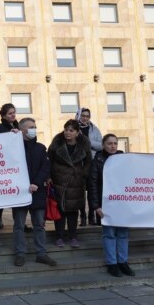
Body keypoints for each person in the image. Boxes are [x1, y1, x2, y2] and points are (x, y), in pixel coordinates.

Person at [12, 118, 56, 267]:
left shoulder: (40, 148)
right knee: (19, 225)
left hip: (37, 192)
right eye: (31, 127)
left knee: (39, 225)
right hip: (19, 192)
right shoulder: (14, 147)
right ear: (22, 129)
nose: (34, 129)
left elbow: (45, 167)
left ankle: (41, 254)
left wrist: (36, 183)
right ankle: (20, 254)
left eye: (35, 127)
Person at [89, 134, 134, 277]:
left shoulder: (124, 160)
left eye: (115, 143)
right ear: (103, 145)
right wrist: (96, 206)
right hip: (106, 204)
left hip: (123, 203)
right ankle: (112, 263)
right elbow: (93, 185)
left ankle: (123, 262)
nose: (113, 146)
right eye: (109, 143)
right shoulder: (97, 161)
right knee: (109, 234)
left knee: (123, 233)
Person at [48, 119, 92, 249]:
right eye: (66, 130)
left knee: (73, 211)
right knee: (60, 209)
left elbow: (89, 162)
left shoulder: (83, 146)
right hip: (59, 181)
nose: (68, 133)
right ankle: (59, 236)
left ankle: (73, 236)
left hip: (76, 181)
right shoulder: (56, 145)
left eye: (71, 130)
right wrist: (49, 176)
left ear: (77, 133)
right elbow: (48, 161)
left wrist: (83, 174)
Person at [0, 104, 20, 232]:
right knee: (1, 195)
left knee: (17, 195)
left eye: (14, 112)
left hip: (15, 166)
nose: (12, 115)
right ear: (3, 116)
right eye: (9, 113)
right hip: (2, 167)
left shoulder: (18, 127)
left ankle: (19, 222)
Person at [77, 108, 103, 226]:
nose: (85, 118)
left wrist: (88, 142)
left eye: (87, 116)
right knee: (80, 191)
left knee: (92, 190)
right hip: (79, 163)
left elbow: (101, 145)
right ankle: (82, 216)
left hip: (92, 162)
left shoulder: (95, 129)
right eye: (83, 115)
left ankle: (92, 215)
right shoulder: (74, 128)